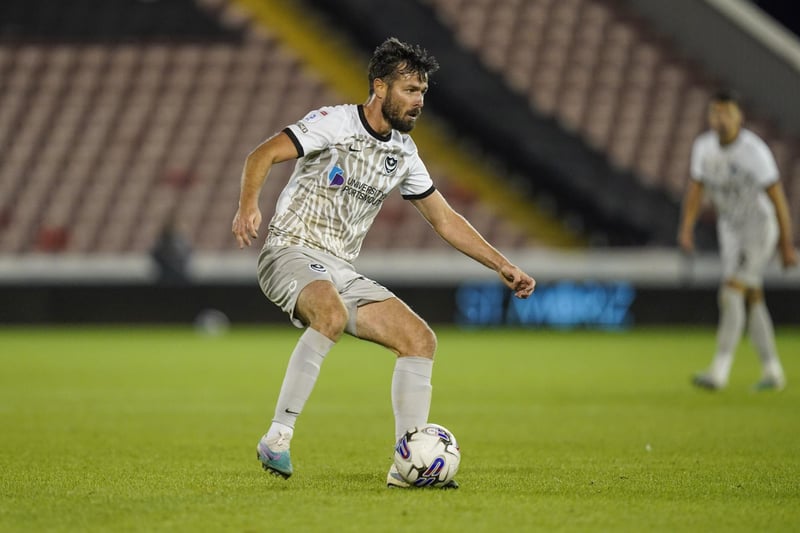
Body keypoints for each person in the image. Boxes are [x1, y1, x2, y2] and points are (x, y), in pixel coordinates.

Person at [231, 37, 536, 488]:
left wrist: (501, 264)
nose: (418, 102)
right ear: (380, 87)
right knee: (329, 315)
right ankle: (277, 436)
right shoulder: (333, 123)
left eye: (423, 93)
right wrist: (248, 206)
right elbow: (263, 154)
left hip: (340, 268)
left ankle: (407, 465)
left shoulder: (403, 153)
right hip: (289, 250)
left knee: (419, 340)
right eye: (410, 90)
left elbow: (444, 218)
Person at [678, 89, 797, 391]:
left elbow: (777, 199)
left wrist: (786, 244)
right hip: (729, 229)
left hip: (758, 228)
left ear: (738, 117)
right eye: (716, 113)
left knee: (731, 293)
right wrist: (686, 227)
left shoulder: (754, 151)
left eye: (727, 113)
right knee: (752, 296)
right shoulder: (703, 147)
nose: (721, 119)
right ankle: (773, 371)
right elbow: (696, 189)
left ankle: (719, 371)